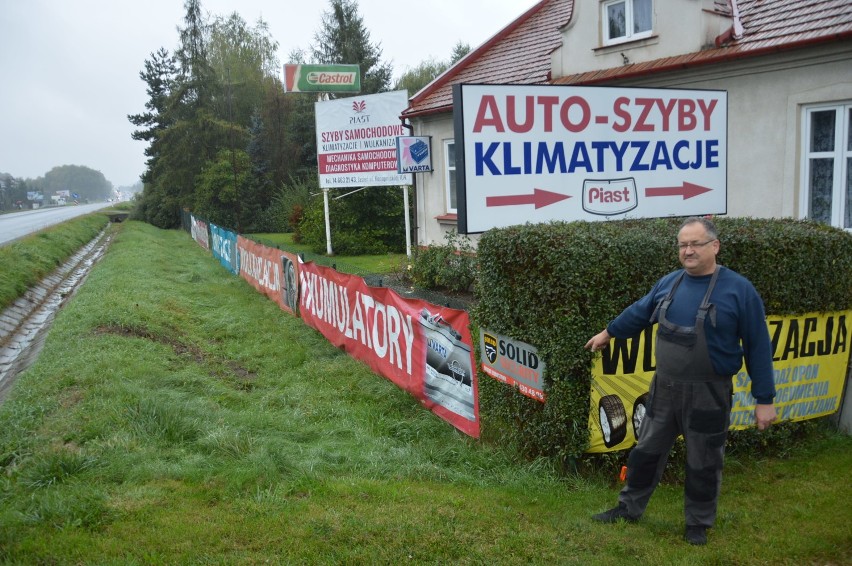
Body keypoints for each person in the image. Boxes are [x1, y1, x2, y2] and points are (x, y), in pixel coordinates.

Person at [584, 216, 777, 546]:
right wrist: (608, 332)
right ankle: (628, 509)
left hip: (709, 392)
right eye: (682, 245)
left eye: (695, 244)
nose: (688, 250)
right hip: (665, 388)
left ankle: (698, 523)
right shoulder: (670, 283)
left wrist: (765, 399)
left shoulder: (739, 290)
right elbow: (640, 312)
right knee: (645, 450)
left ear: (714, 246)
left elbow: (758, 346)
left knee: (704, 459)